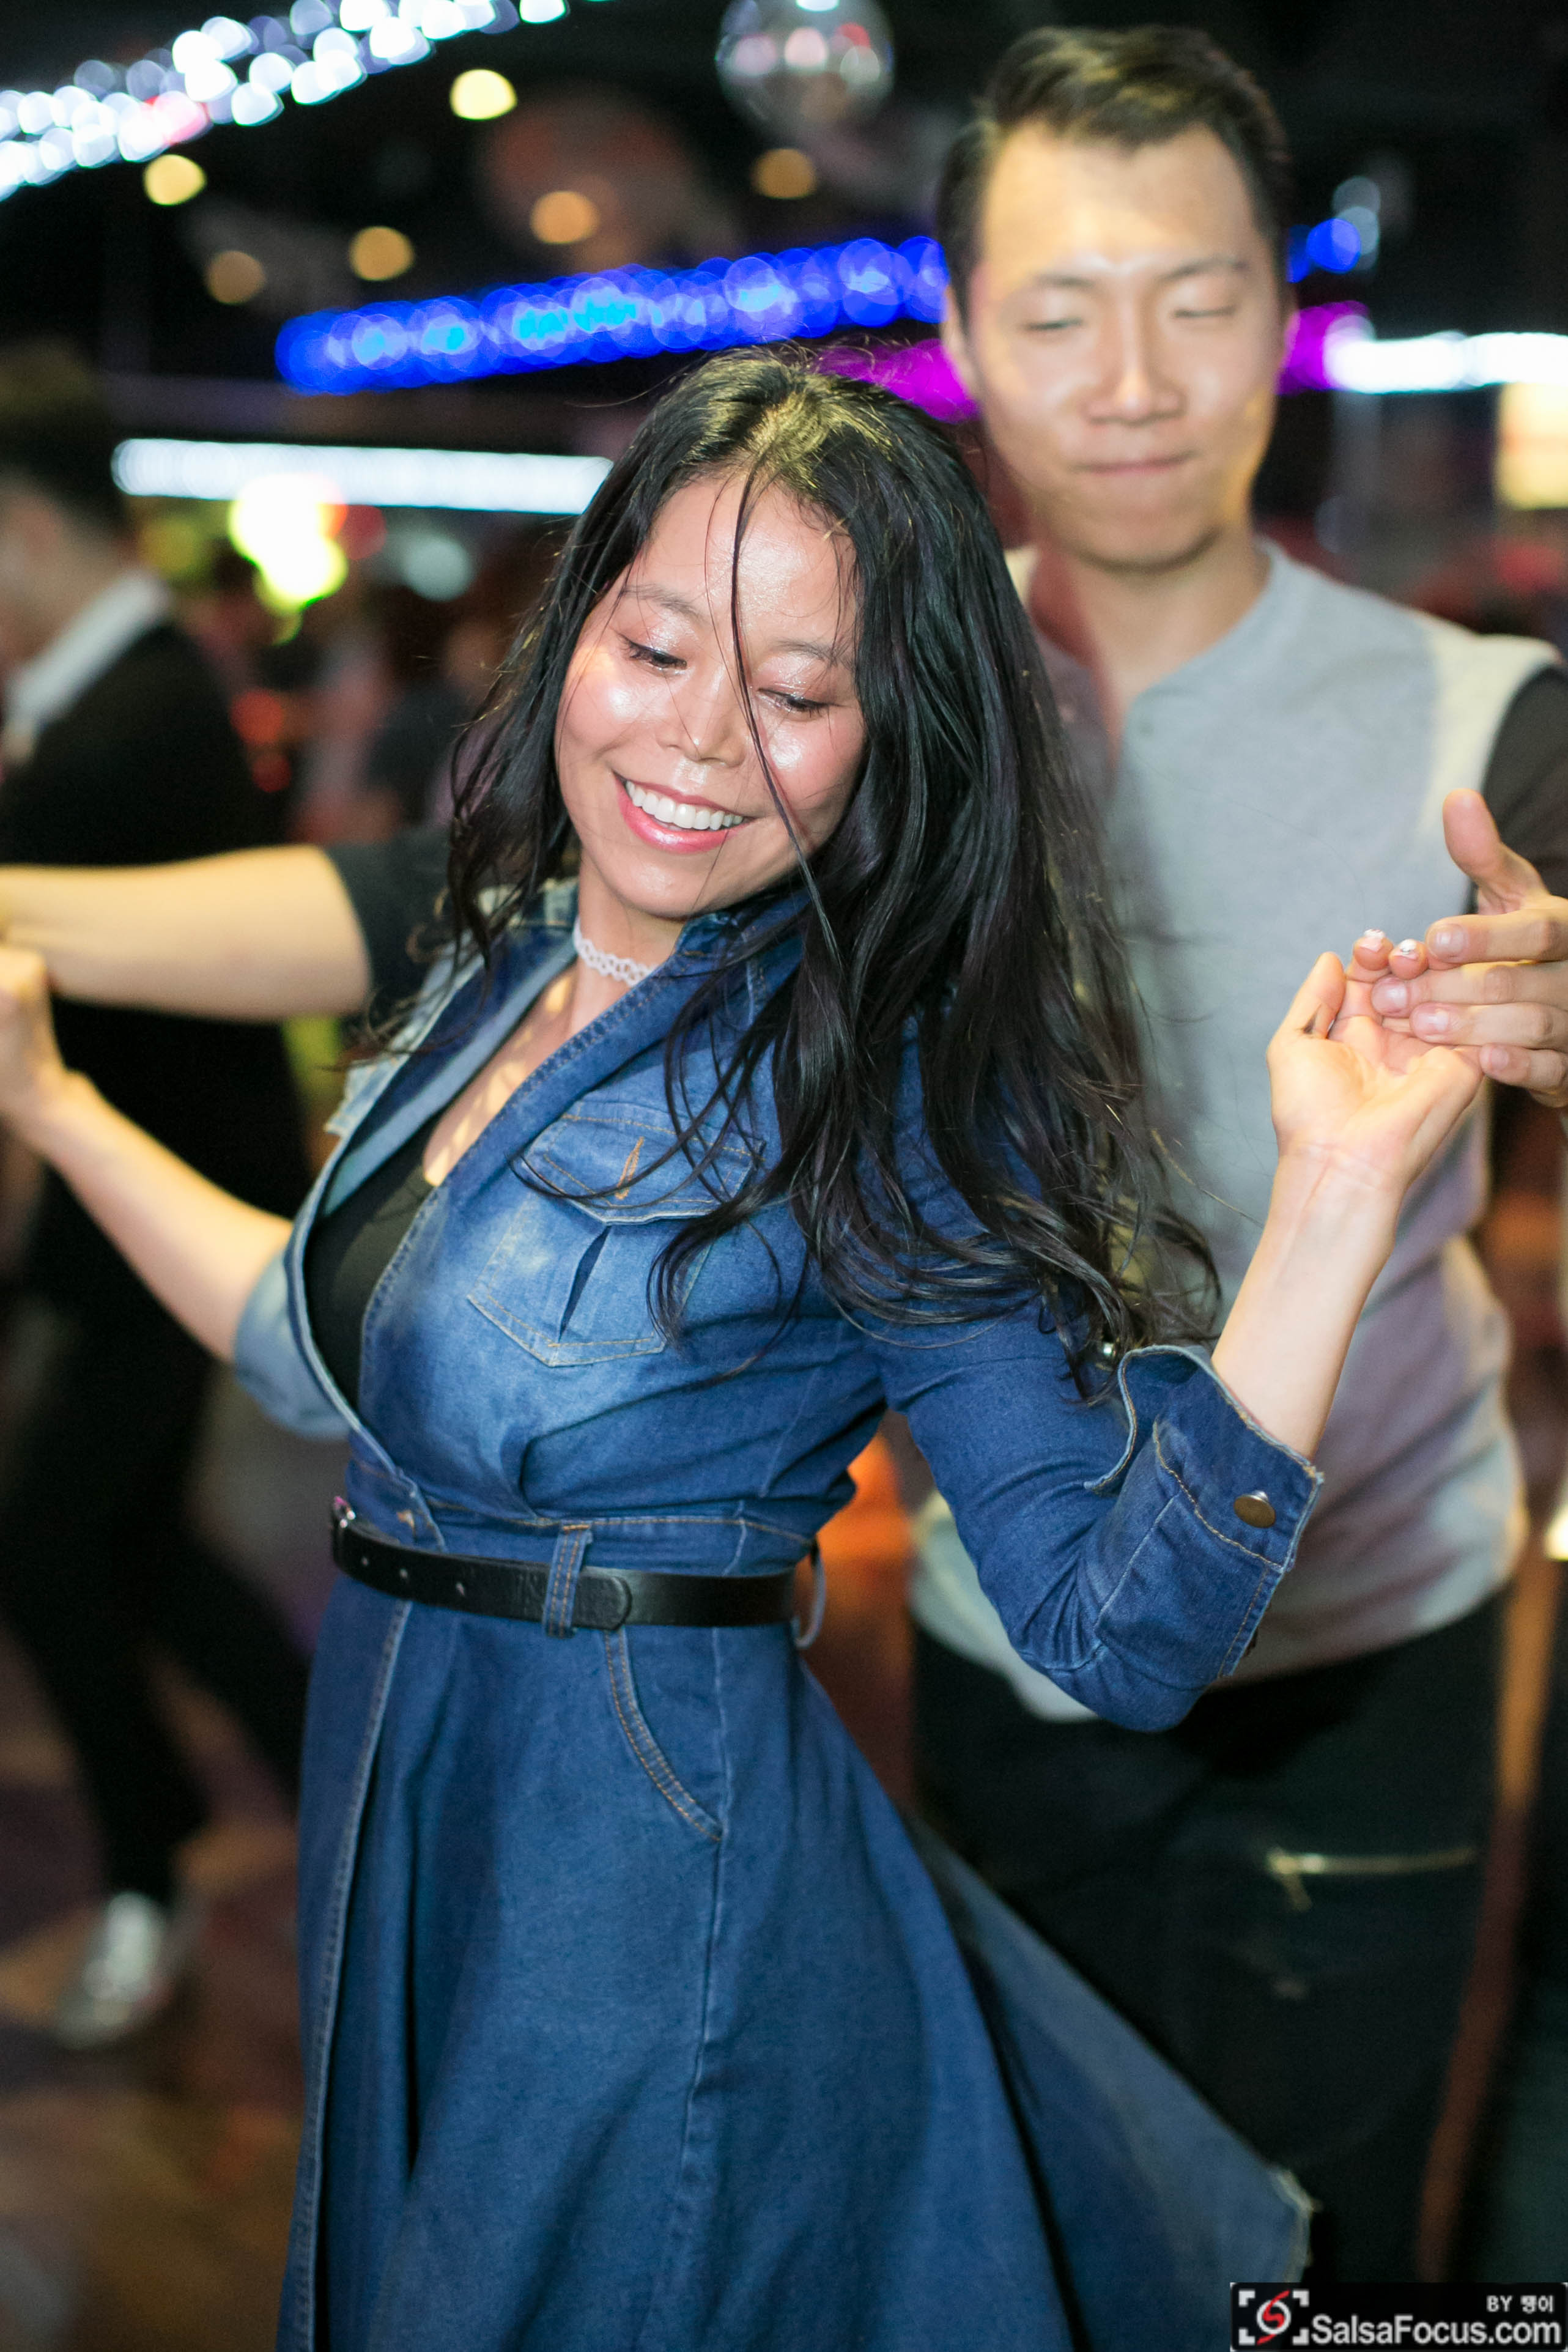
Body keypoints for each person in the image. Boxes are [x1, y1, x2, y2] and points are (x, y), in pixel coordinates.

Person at [0, 354, 1477, 2350]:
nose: (695, 739)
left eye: (794, 692)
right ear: (576, 631)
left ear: (888, 738)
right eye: (654, 647)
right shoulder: (515, 951)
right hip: (408, 1789)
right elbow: (327, 1355)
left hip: (635, 1872)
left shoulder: (880, 1094)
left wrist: (1335, 1198)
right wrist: (54, 1105)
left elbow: (1116, 1631)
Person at [887, 25, 1568, 2280]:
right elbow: (447, 896)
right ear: (962, 328)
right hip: (1016, 1617)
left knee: (1321, 2274)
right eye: (1059, 311)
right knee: (1029, 2242)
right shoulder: (886, 711)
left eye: (1194, 300)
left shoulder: (1479, 713)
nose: (1131, 380)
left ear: (1279, 315)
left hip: (1370, 1629)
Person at [0, 347, 311, 2047]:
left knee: (55, 1542)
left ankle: (152, 1867)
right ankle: (332, 1801)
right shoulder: (119, 697)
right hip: (132, 1211)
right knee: (125, 1547)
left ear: (24, 530)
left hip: (174, 1219)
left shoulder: (134, 722)